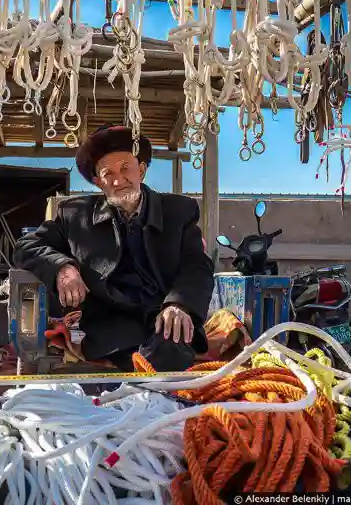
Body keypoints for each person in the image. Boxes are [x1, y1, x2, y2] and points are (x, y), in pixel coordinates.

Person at [13, 125, 215, 371]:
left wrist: (180, 305)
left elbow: (197, 265)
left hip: (164, 316)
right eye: (108, 173)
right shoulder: (74, 214)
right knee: (130, 360)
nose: (119, 180)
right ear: (99, 182)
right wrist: (62, 267)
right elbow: (27, 246)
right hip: (109, 325)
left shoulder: (179, 211)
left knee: (172, 349)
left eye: (126, 168)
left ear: (141, 170)